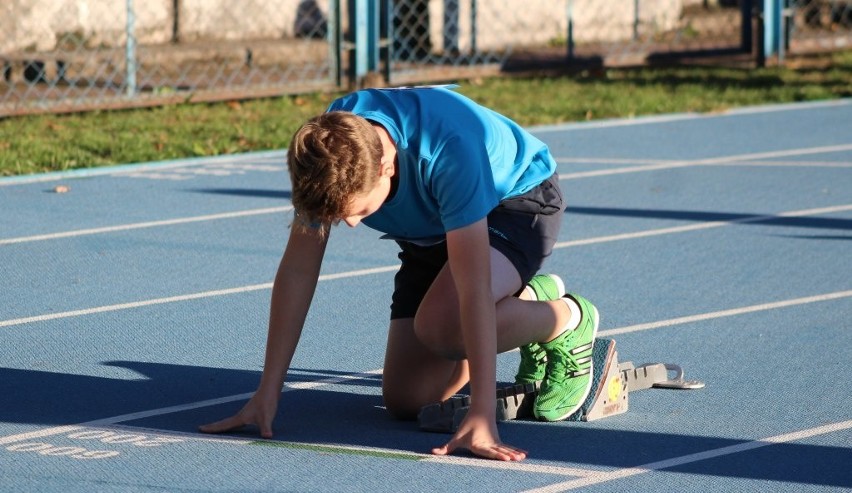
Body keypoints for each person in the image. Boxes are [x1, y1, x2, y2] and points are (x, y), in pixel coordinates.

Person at [200, 86, 599, 461]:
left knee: (444, 327)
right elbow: (298, 270)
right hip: (431, 228)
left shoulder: (448, 153)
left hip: (513, 202)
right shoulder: (327, 154)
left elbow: (473, 287)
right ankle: (519, 299)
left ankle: (565, 320)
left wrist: (482, 414)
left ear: (386, 164)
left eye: (358, 210)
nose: (351, 224)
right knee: (408, 400)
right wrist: (268, 389)